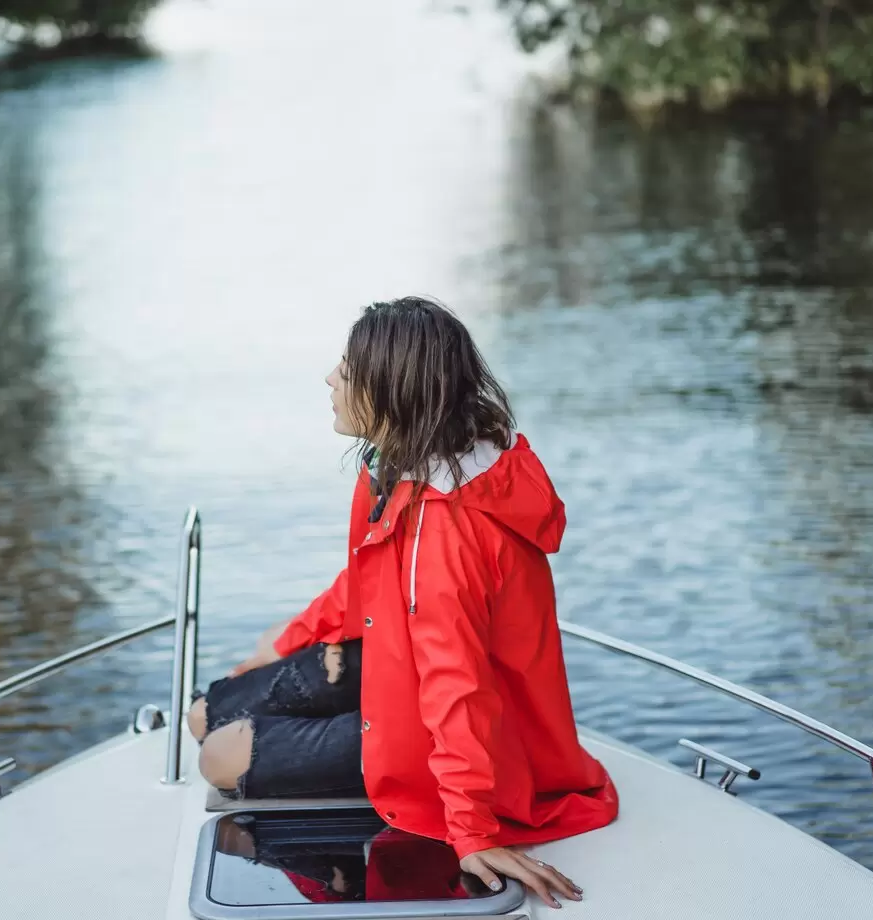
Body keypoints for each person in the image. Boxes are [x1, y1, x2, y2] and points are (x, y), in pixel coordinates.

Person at [187, 295, 618, 909]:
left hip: (461, 731)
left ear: (392, 391)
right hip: (395, 668)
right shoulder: (393, 464)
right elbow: (365, 587)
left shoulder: (446, 529)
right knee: (205, 712)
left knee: (217, 756)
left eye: (347, 368)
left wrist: (470, 832)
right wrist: (288, 641)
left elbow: (457, 683)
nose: (330, 378)